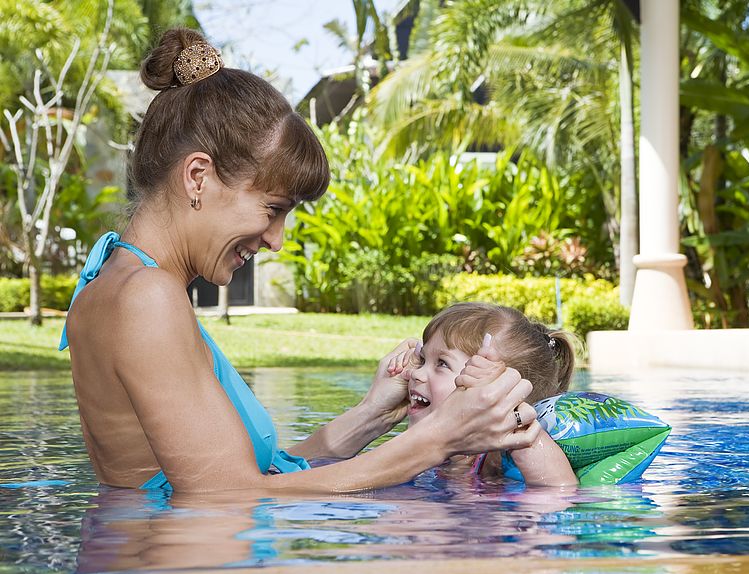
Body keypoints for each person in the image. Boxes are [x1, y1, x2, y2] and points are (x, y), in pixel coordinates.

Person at [59, 28, 540, 493]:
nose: (276, 240)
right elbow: (226, 497)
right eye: (273, 210)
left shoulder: (116, 280)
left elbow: (253, 474)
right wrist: (437, 439)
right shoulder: (147, 297)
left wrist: (374, 413)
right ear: (198, 177)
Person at [406, 302, 580, 487]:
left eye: (442, 363)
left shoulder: (496, 457)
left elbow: (561, 490)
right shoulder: (432, 452)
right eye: (422, 359)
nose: (415, 373)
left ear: (499, 389)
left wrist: (510, 414)